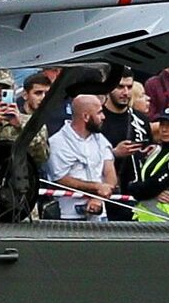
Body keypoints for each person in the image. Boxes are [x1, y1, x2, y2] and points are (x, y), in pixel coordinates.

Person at [45, 93, 117, 221]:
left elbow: (110, 172)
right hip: (68, 215)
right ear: (86, 116)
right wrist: (96, 187)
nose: (103, 117)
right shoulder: (58, 142)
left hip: (100, 214)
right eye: (99, 113)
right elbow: (60, 178)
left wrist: (98, 198)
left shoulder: (101, 140)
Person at [127, 107, 169, 222]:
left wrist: (134, 188)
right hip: (146, 218)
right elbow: (143, 182)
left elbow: (153, 185)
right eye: (162, 125)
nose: (164, 129)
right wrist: (140, 188)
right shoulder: (158, 151)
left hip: (166, 220)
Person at [99, 75, 150, 221]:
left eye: (129, 87)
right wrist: (114, 153)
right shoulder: (98, 118)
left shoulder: (140, 120)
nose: (126, 92)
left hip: (136, 196)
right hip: (106, 195)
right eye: (120, 87)